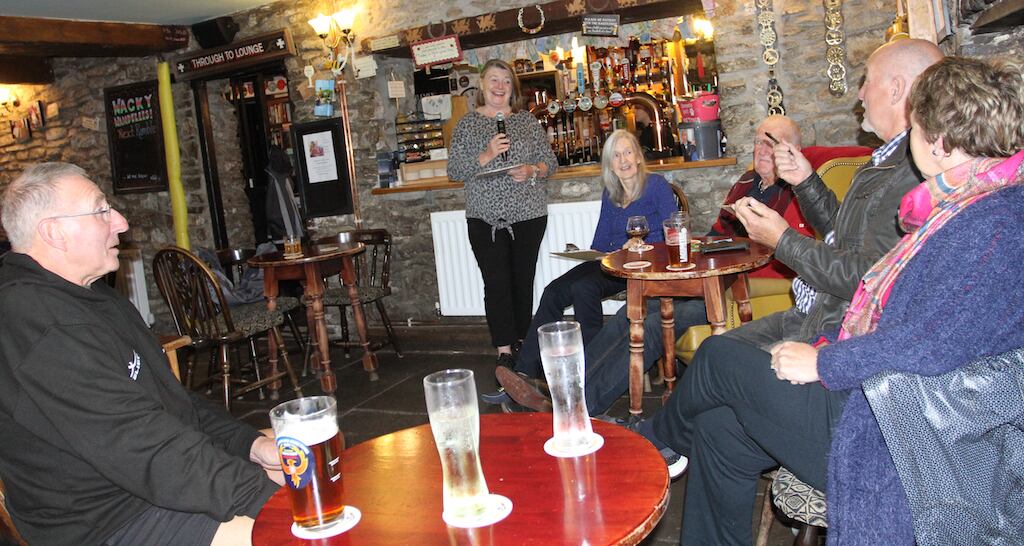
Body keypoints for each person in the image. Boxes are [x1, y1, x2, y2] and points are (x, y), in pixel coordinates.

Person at [635, 39, 947, 544]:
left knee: (715, 356)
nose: (859, 94)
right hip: (825, 329)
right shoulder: (886, 161)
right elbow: (845, 237)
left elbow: (864, 275)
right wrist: (806, 184)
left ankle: (653, 444)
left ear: (898, 89)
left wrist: (782, 239)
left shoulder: (917, 175)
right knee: (716, 429)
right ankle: (668, 446)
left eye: (866, 80)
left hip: (856, 391)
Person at [0, 163, 282, 546]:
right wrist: (269, 502)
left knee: (314, 465)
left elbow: (172, 404)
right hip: (108, 521)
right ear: (54, 232)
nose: (120, 221)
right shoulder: (35, 319)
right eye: (101, 211)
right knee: (305, 532)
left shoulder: (94, 296)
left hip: (150, 483)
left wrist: (250, 445)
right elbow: (142, 445)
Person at [498, 115, 828, 415]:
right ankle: (568, 395)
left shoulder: (798, 193)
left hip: (744, 286)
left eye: (771, 142)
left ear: (794, 150)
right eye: (757, 141)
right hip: (704, 276)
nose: (761, 149)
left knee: (654, 325)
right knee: (631, 315)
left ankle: (582, 406)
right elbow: (716, 235)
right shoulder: (746, 183)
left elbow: (794, 254)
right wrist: (696, 246)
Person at [482, 130, 677, 408]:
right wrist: (589, 253)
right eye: (616, 155)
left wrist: (640, 246)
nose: (623, 160)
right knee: (554, 290)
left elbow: (672, 233)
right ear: (609, 164)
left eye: (628, 152)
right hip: (611, 262)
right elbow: (599, 242)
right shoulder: (610, 194)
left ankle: (588, 376)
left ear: (638, 156)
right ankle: (525, 373)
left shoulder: (656, 186)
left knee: (585, 287)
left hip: (644, 267)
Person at [448, 59, 558, 367]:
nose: (499, 86)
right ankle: (504, 352)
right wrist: (487, 154)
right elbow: (455, 170)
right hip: (485, 219)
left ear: (513, 88)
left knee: (522, 282)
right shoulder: (467, 124)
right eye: (494, 80)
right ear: (482, 85)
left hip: (529, 215)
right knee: (496, 283)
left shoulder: (526, 121)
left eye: (506, 81)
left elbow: (550, 161)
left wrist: (532, 170)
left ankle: (522, 343)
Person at [264, 144, 304, 244]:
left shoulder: (271, 175)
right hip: (289, 213)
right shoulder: (286, 174)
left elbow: (270, 204)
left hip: (278, 218)